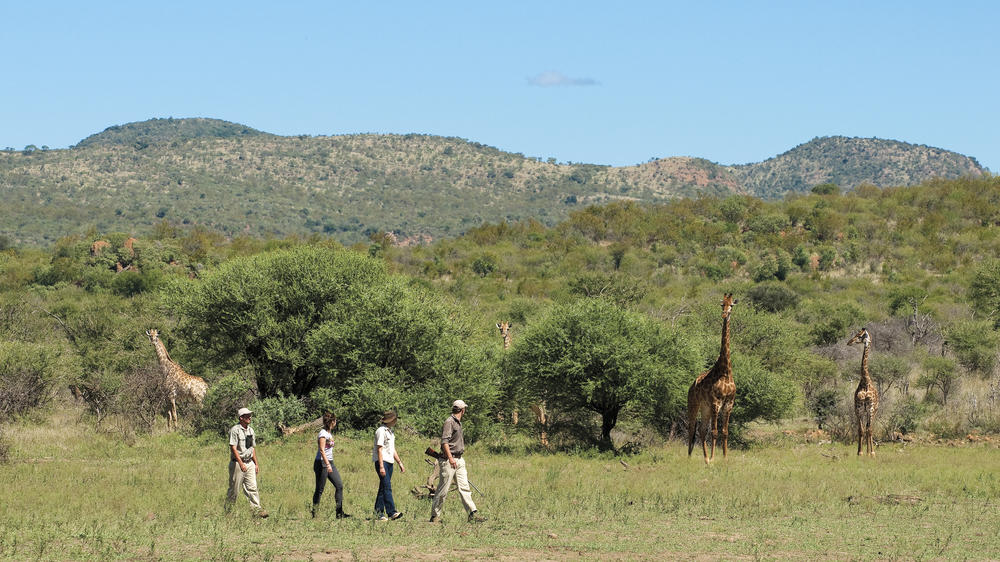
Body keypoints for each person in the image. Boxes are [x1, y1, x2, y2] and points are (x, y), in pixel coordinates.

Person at [430, 399, 485, 523]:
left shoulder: (457, 422)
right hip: (449, 460)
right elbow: (444, 442)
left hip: (459, 459)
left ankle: (472, 513)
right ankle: (435, 516)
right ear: (463, 410)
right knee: (443, 490)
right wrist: (450, 458)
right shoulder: (449, 422)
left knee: (464, 487)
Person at [226, 407, 268, 518]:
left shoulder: (250, 430)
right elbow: (233, 448)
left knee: (252, 488)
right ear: (241, 418)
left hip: (249, 463)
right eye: (247, 416)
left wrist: (256, 464)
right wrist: (241, 464)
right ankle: (228, 513)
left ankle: (257, 511)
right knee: (234, 490)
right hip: (237, 463)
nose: (250, 417)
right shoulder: (235, 430)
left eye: (250, 415)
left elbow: (251, 448)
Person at [312, 411, 350, 519]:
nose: (336, 422)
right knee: (320, 489)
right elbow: (322, 450)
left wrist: (329, 464)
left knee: (339, 485)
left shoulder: (329, 433)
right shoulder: (322, 434)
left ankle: (339, 513)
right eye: (335, 420)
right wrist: (327, 464)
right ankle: (315, 514)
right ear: (331, 422)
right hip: (322, 463)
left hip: (330, 462)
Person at [372, 410, 405, 521]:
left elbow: (392, 449)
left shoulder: (390, 432)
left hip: (390, 462)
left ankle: (378, 513)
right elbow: (379, 449)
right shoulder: (381, 431)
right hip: (383, 462)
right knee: (387, 487)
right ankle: (392, 512)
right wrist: (381, 466)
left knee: (383, 487)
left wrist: (399, 462)